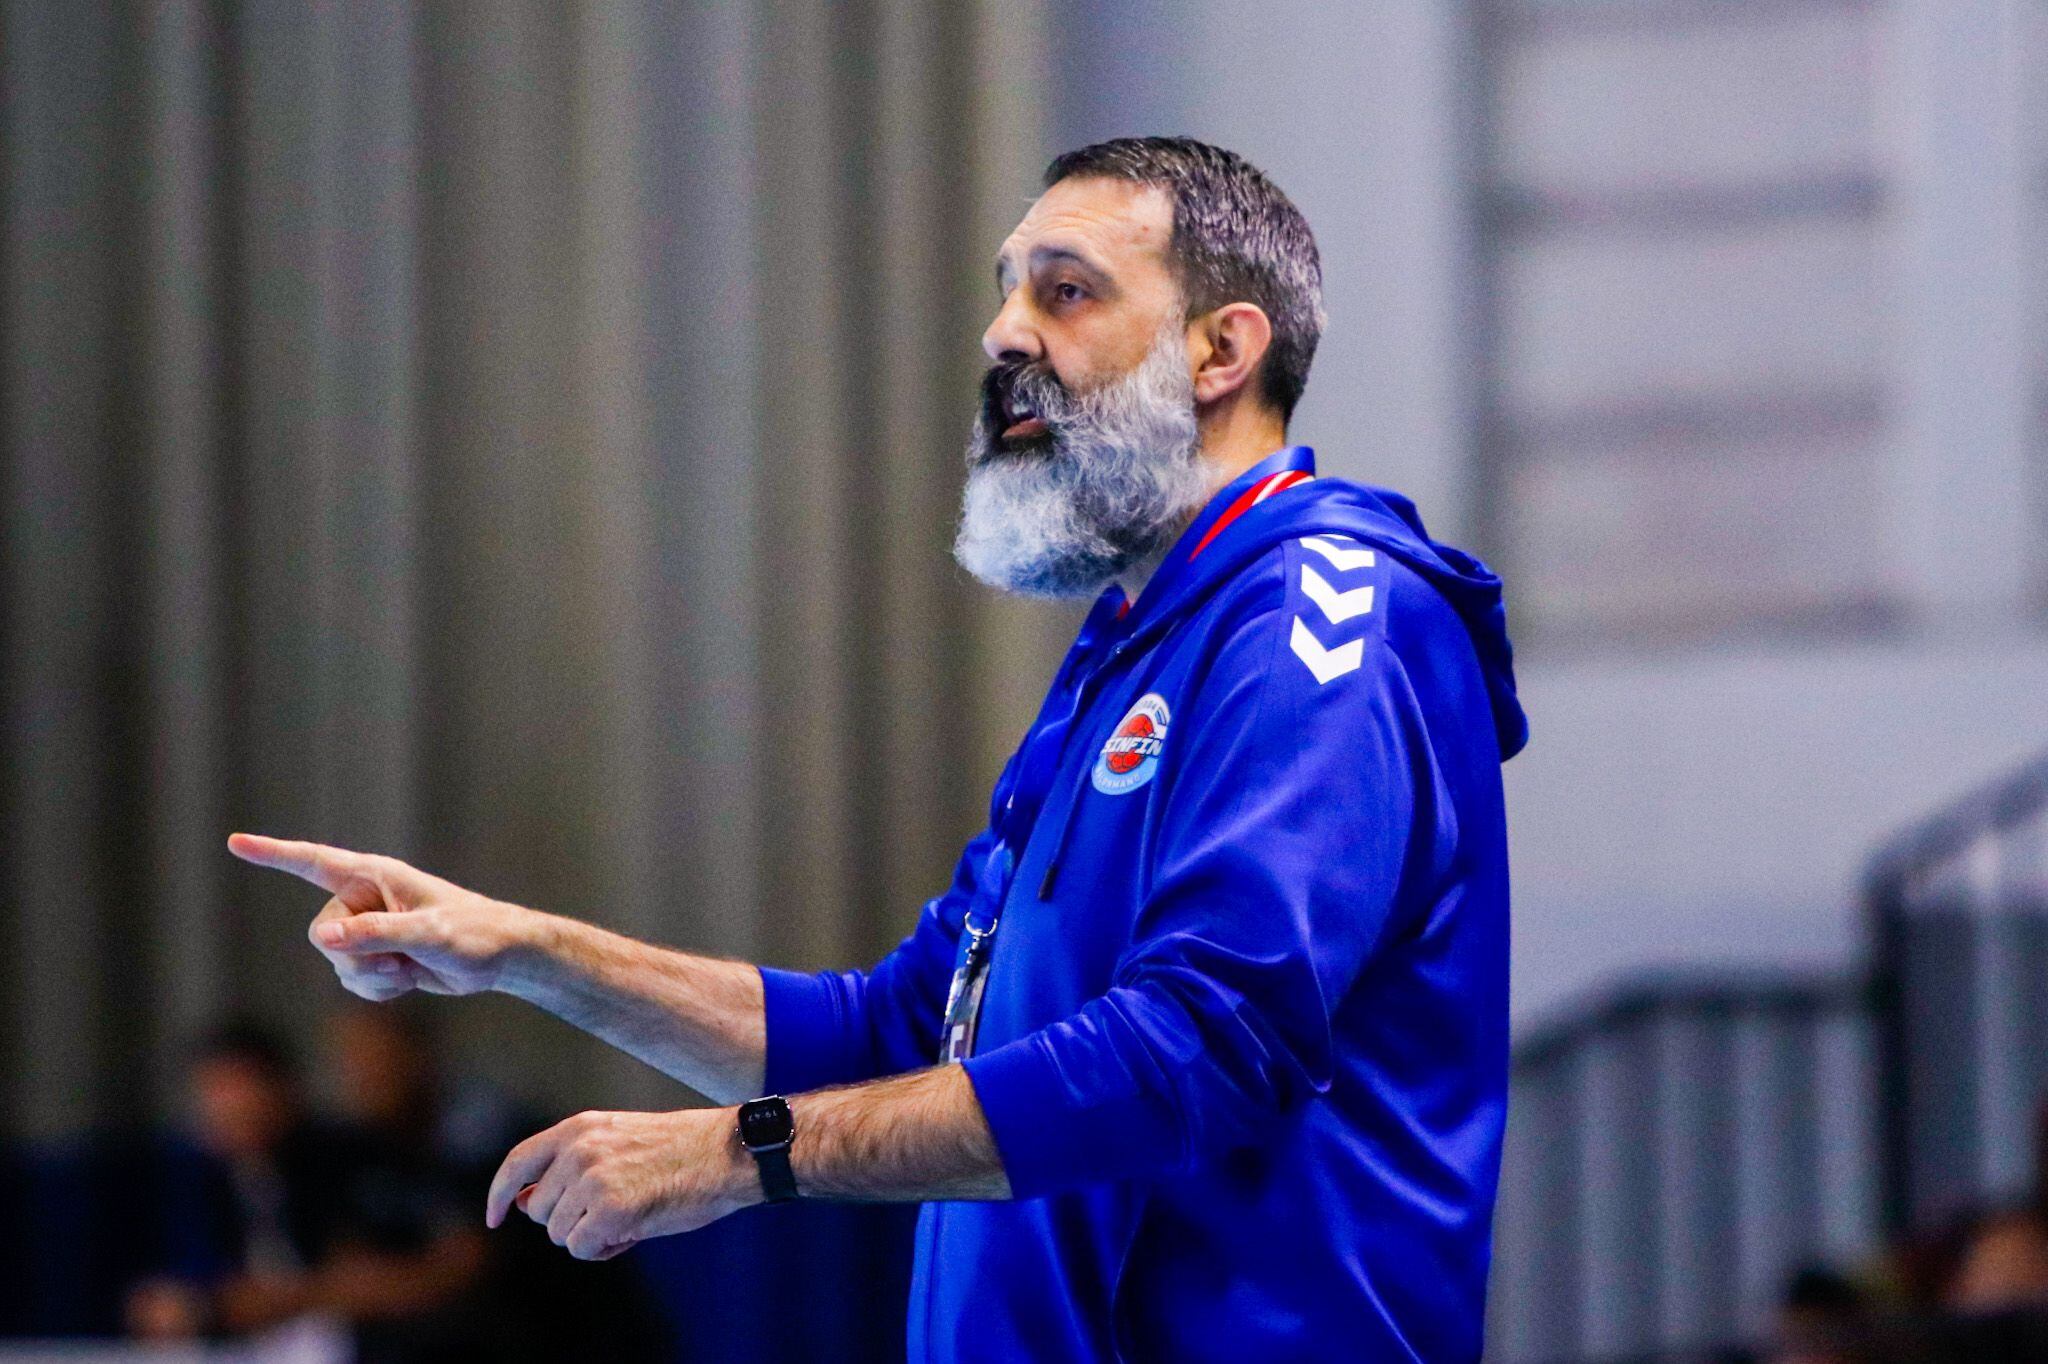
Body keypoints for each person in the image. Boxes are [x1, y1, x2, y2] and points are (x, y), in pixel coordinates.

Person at [230, 135, 1527, 1361]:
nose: (1004, 333)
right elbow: (902, 1030)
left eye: (1066, 292)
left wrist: (738, 1154)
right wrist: (519, 951)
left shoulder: (1331, 620)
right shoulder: (1128, 652)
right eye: (1007, 293)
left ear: (1220, 349)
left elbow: (1200, 1046)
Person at [124, 1022, 486, 1355]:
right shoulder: (182, 1179)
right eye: (217, 1090)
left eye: (246, 1086)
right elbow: (161, 1300)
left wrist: (282, 1299)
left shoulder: (349, 1157)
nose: (235, 1106)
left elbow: (409, 1272)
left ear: (286, 1089)